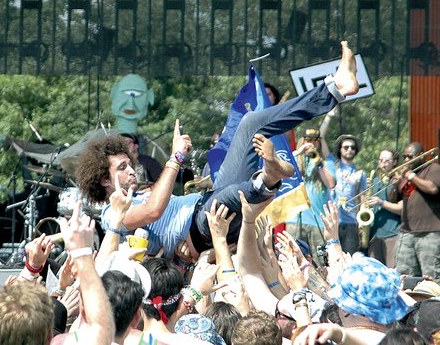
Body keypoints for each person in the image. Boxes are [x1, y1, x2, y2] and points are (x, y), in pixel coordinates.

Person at [76, 41, 360, 262]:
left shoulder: (140, 191)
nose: (130, 169)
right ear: (104, 179)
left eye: (129, 163)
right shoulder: (111, 215)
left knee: (251, 123)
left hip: (207, 208)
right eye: (121, 168)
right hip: (200, 229)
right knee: (225, 198)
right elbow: (153, 212)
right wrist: (175, 157)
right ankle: (269, 177)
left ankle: (334, 89)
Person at [387, 141, 440, 287]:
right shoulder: (405, 175)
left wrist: (411, 176)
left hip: (430, 233)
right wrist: (395, 184)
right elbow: (393, 199)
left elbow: (433, 188)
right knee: (403, 278)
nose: (406, 160)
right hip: (406, 233)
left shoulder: (434, 169)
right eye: (404, 157)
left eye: (410, 156)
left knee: (433, 279)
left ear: (421, 156)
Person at [288, 127, 335, 266]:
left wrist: (318, 162)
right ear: (303, 141)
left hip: (318, 223)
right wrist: (298, 152)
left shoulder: (327, 162)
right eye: (308, 140)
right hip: (295, 220)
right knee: (293, 261)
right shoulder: (295, 159)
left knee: (321, 263)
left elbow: (331, 183)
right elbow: (279, 165)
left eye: (316, 140)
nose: (312, 143)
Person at [326, 133, 366, 254]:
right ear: (340, 149)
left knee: (349, 257)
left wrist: (362, 224)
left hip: (351, 222)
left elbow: (363, 198)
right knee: (331, 258)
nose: (349, 150)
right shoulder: (332, 166)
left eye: (353, 147)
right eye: (346, 147)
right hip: (333, 221)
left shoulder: (360, 173)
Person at [365, 148, 402, 267]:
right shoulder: (374, 181)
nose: (383, 164)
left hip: (392, 234)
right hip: (375, 236)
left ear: (395, 162)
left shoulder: (398, 181)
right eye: (380, 160)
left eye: (387, 160)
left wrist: (381, 202)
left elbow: (401, 209)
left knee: (392, 272)